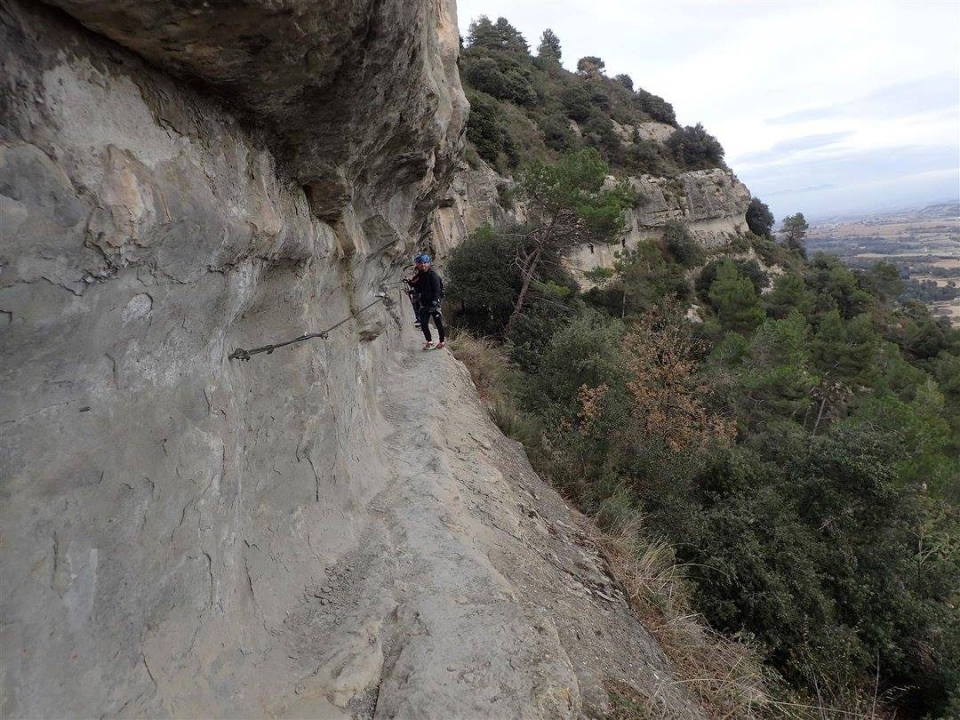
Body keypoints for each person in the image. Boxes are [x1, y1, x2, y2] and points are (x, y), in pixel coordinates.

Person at [408, 254, 445, 349]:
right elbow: (420, 287)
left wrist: (435, 303)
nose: (423, 265)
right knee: (424, 324)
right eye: (420, 263)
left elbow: (437, 290)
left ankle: (442, 342)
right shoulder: (421, 275)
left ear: (428, 263)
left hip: (433, 303)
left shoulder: (433, 275)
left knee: (438, 323)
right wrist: (412, 288)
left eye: (425, 263)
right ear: (417, 264)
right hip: (425, 303)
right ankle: (429, 341)